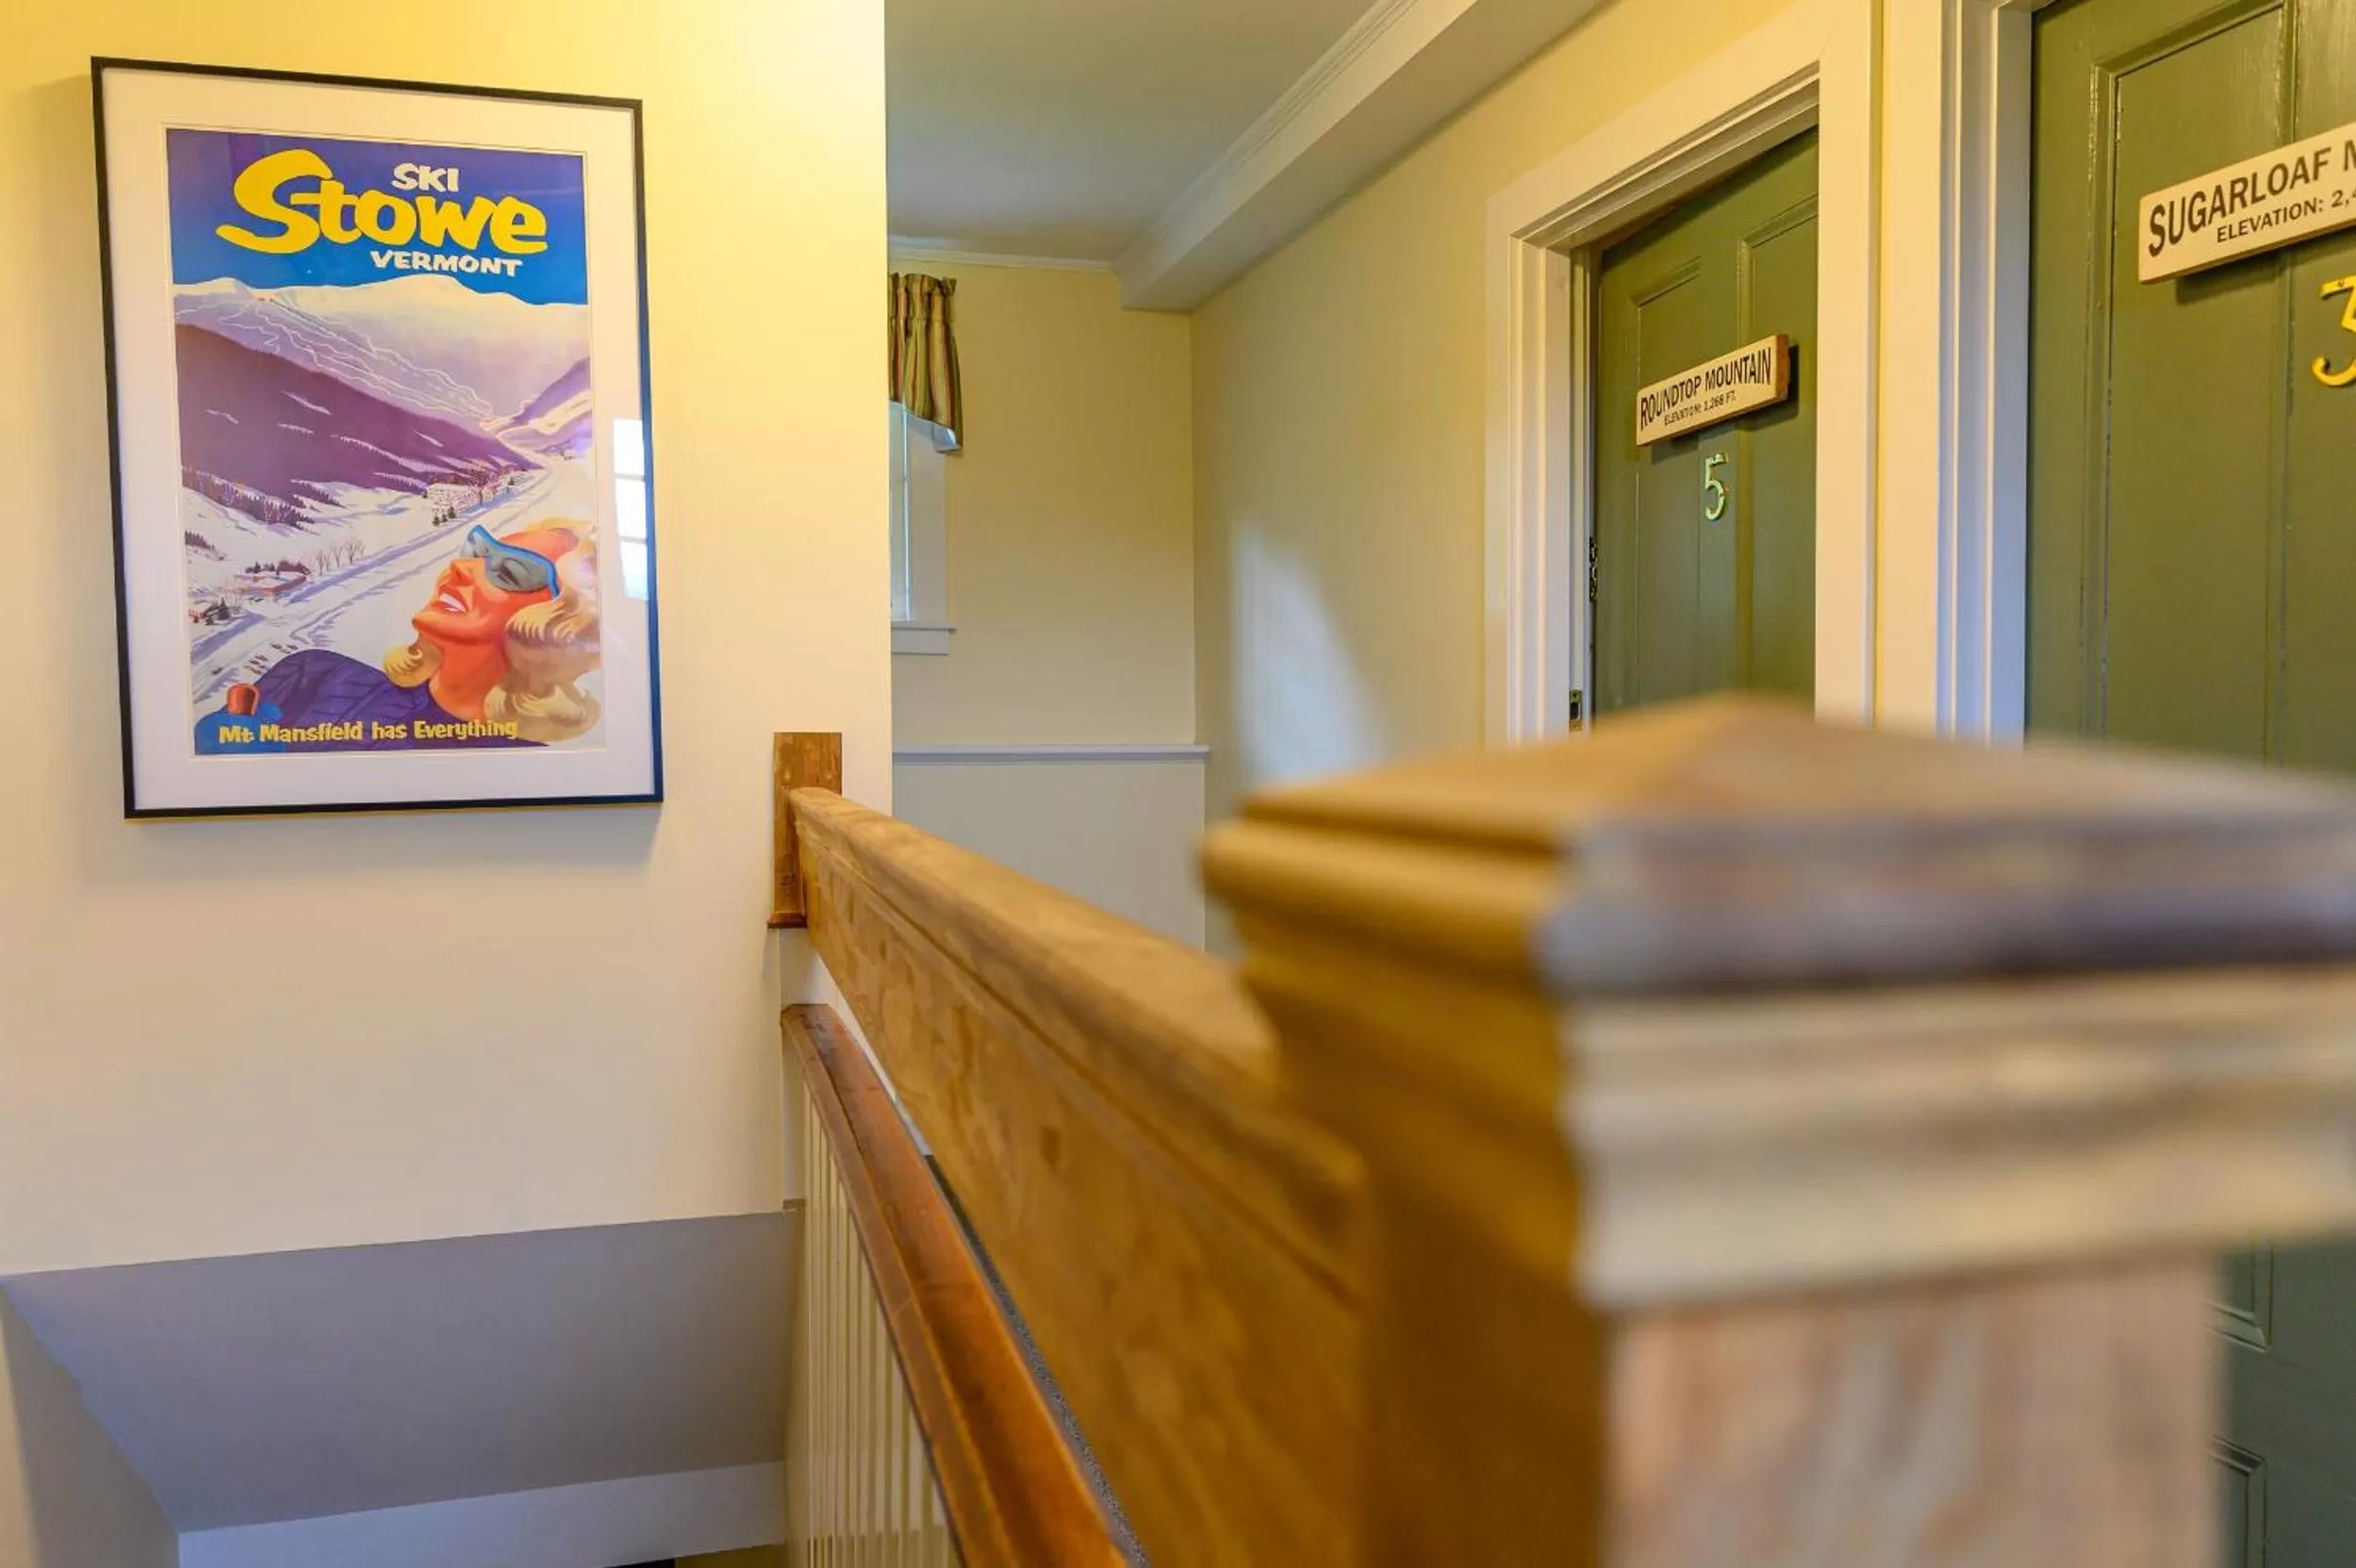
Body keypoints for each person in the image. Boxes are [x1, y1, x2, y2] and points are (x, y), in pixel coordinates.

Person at [189, 520, 602, 755]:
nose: (459, 569)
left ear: (551, 630)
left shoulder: (527, 768)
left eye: (508, 572)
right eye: (473, 551)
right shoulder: (311, 672)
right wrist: (211, 759)